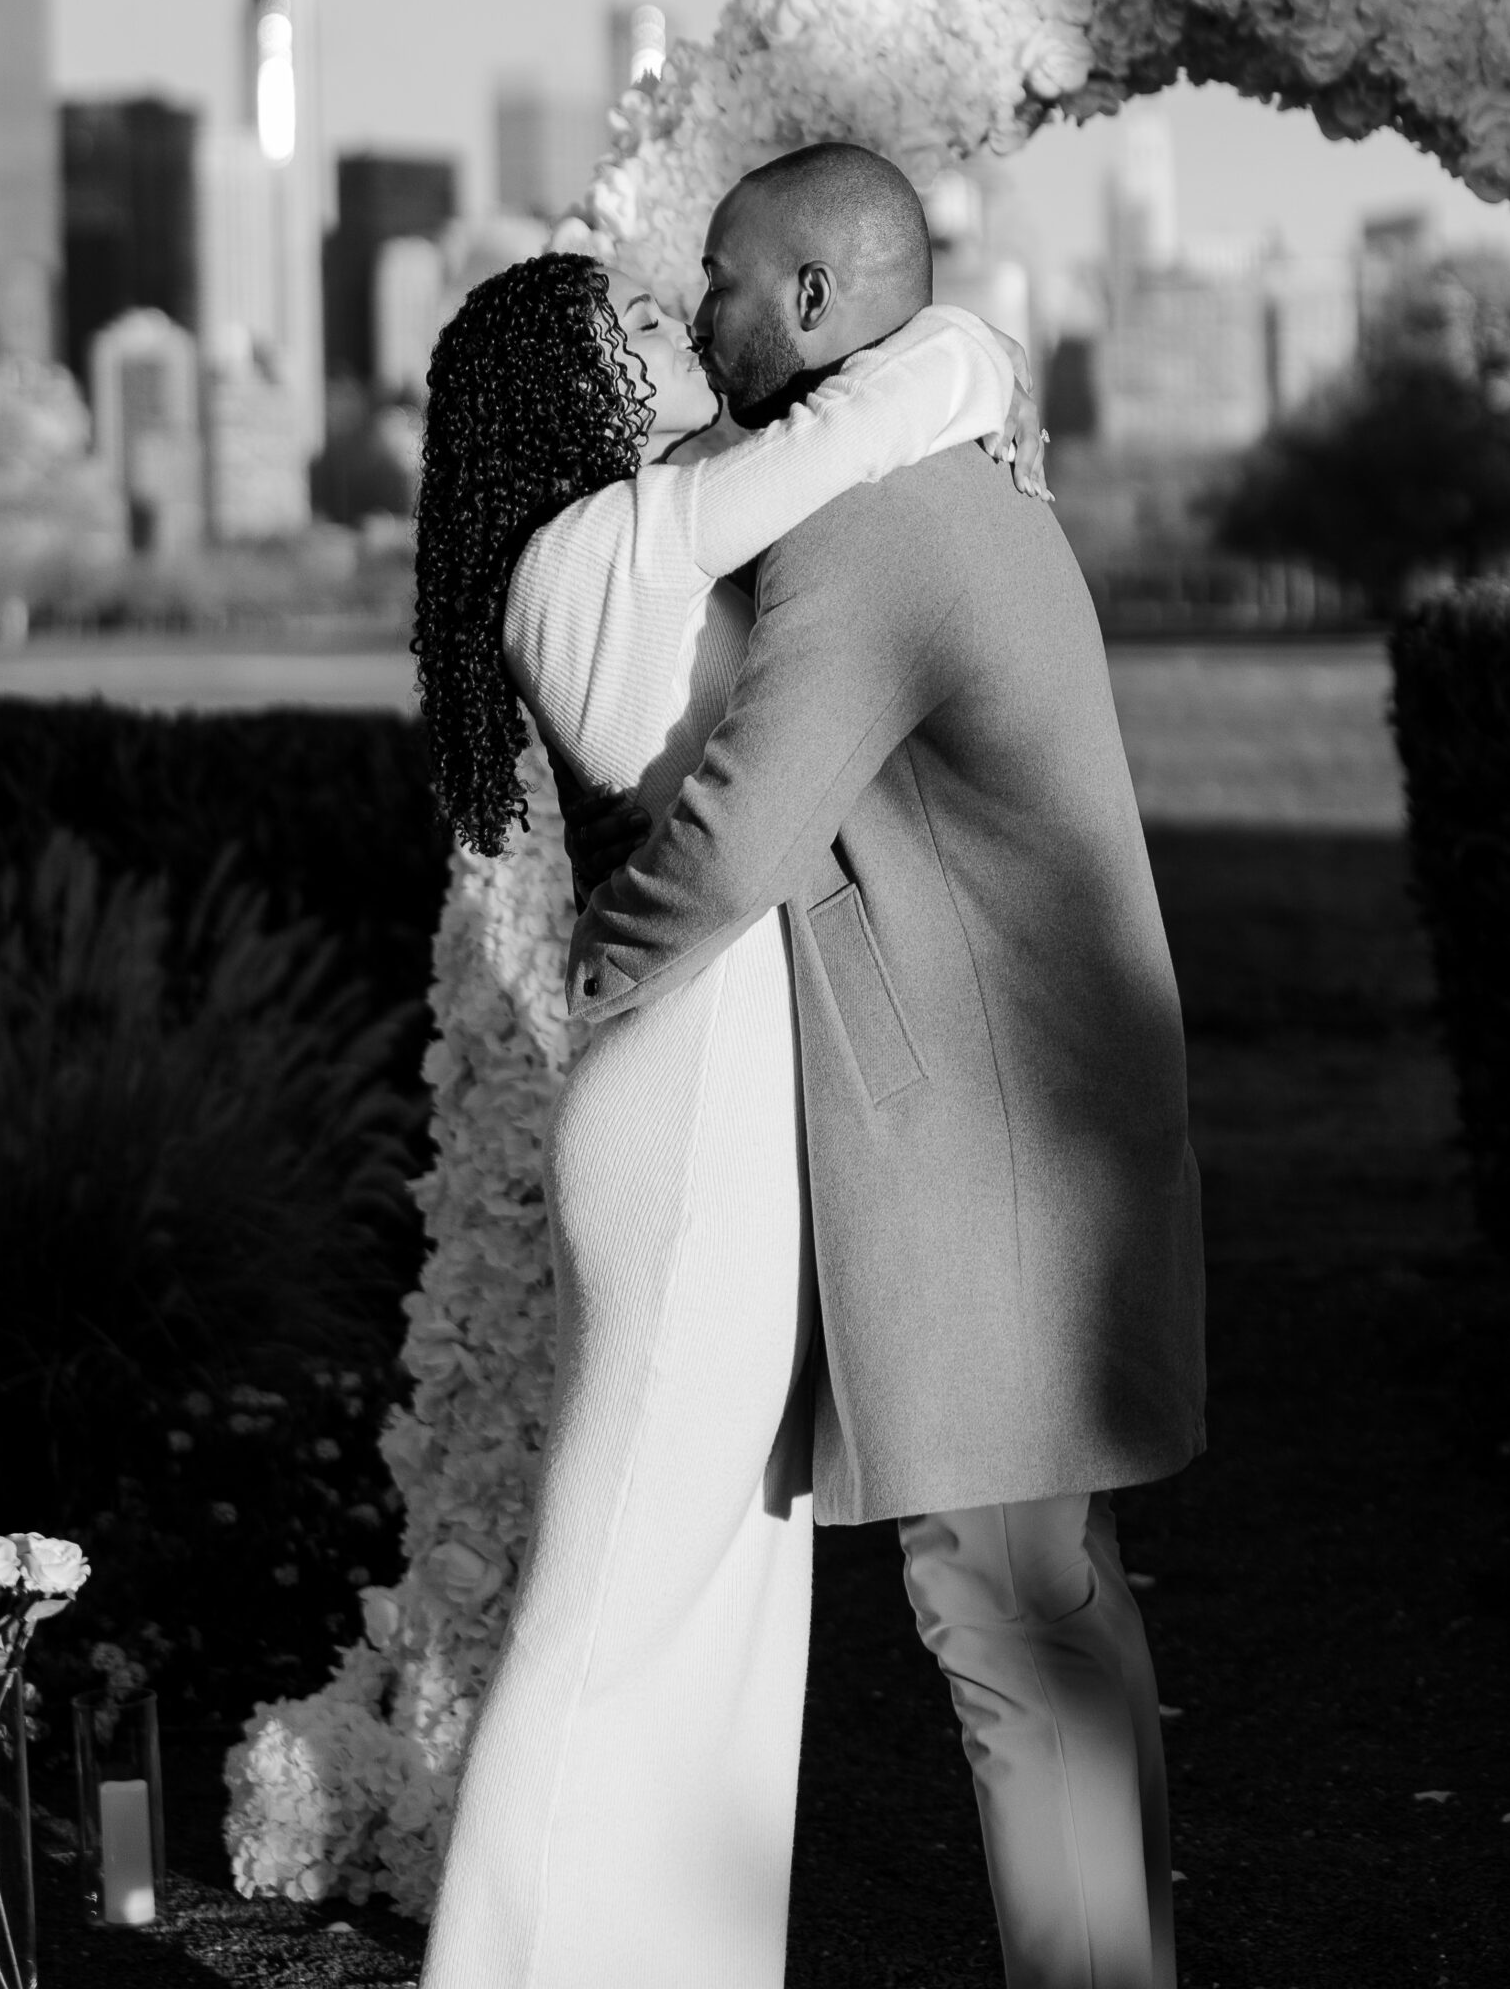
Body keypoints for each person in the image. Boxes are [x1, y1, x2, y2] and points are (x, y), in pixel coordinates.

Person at [568, 141, 1207, 1989]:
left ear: (823, 305)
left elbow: (746, 829)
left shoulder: (876, 527)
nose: (700, 315)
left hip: (997, 1152)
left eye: (725, 281)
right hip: (1031, 1126)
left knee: (1003, 1615)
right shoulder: (920, 469)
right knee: (1045, 1610)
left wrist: (590, 969)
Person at [410, 243, 1041, 1989]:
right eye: (630, 319)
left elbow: (862, 440)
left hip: (716, 1074)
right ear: (569, 389)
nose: (672, 325)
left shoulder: (636, 525)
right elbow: (882, 414)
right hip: (687, 1097)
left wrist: (971, 377)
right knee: (621, 1579)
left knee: (729, 1581)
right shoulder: (604, 544)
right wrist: (980, 349)